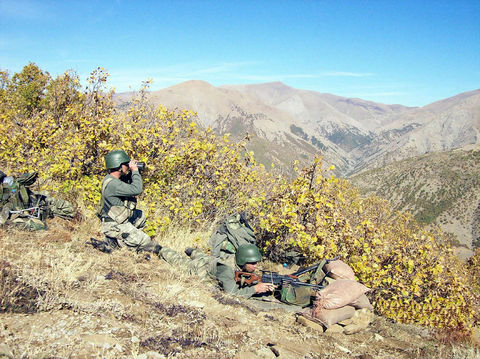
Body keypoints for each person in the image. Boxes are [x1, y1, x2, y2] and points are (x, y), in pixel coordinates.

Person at [97, 150, 160, 253]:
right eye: (126, 165)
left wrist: (134, 171)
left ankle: (128, 237)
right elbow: (136, 189)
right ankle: (116, 241)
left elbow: (128, 182)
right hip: (113, 225)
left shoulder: (113, 179)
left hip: (118, 220)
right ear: (119, 166)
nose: (127, 166)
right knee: (146, 241)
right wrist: (134, 170)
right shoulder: (113, 184)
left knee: (140, 216)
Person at [159, 244, 276, 299]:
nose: (256, 266)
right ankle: (160, 249)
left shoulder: (237, 260)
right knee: (179, 261)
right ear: (242, 261)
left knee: (203, 256)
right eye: (252, 263)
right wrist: (255, 289)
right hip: (201, 269)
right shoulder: (227, 270)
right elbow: (232, 294)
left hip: (211, 261)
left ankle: (192, 251)